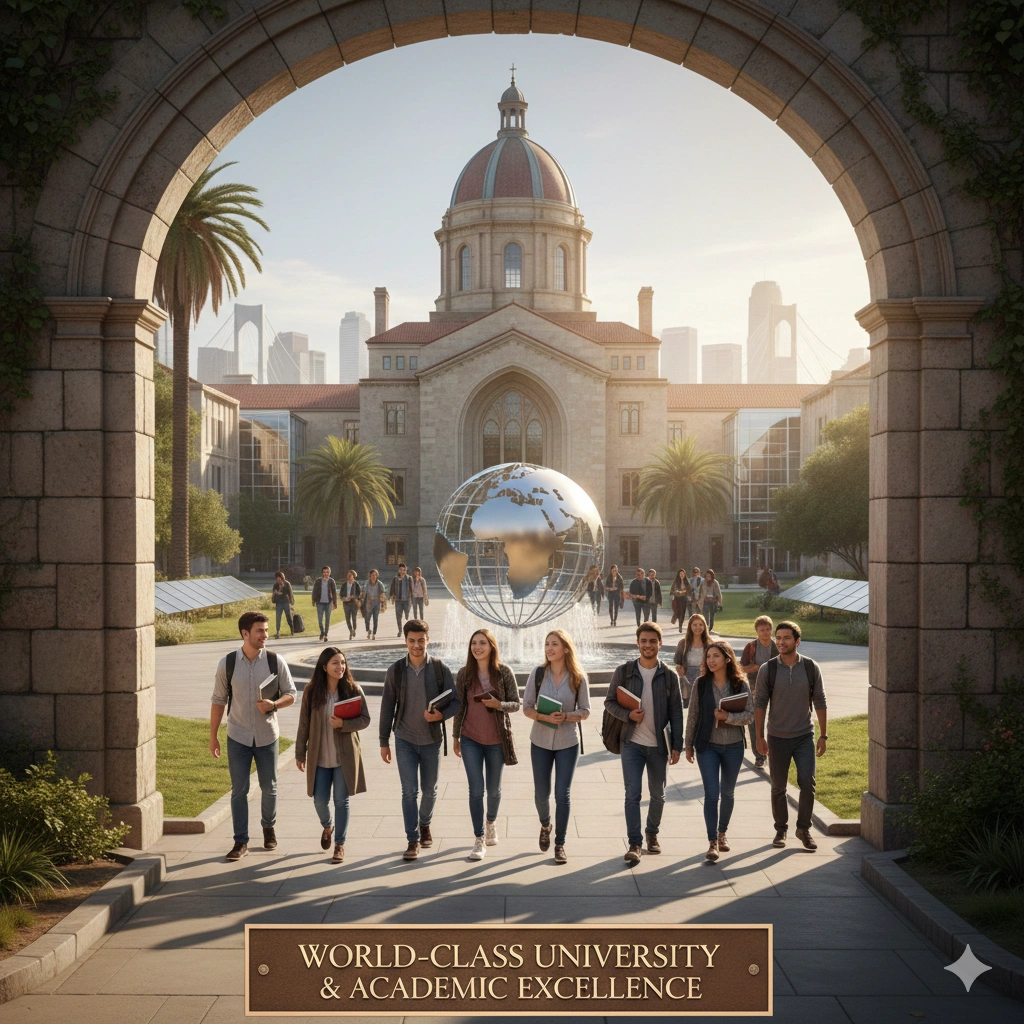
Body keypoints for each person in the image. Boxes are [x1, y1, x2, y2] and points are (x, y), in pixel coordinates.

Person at [210, 611, 297, 861]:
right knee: (239, 790)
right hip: (237, 736)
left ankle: (268, 828)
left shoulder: (274, 661)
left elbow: (292, 693)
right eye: (260, 631)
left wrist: (274, 704)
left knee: (269, 787)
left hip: (267, 736)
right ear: (245, 633)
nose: (265, 635)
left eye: (266, 630)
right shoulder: (227, 663)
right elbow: (218, 701)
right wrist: (213, 736)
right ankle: (240, 841)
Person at [379, 619, 459, 860]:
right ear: (405, 641)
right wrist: (384, 741)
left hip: (431, 740)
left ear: (428, 640)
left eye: (421, 641)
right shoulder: (395, 670)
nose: (417, 645)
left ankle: (425, 823)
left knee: (430, 790)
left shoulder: (438, 668)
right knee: (409, 791)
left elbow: (456, 701)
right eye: (412, 641)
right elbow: (387, 707)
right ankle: (412, 839)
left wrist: (440, 716)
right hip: (404, 739)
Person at [604, 621, 683, 864]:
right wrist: (627, 715)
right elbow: (609, 702)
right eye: (643, 641)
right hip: (632, 743)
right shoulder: (624, 671)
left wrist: (677, 745)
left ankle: (652, 834)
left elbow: (676, 712)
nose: (647, 645)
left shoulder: (669, 676)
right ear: (637, 643)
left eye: (652, 641)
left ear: (659, 643)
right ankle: (635, 843)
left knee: (658, 795)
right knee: (632, 794)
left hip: (659, 745)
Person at [754, 620, 828, 851]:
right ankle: (781, 830)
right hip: (777, 736)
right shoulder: (768, 669)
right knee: (778, 787)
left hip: (804, 735)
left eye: (786, 638)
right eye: (778, 638)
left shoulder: (810, 667)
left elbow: (820, 701)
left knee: (808, 783)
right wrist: (759, 737)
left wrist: (823, 735)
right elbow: (759, 704)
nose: (781, 642)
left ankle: (803, 828)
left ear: (797, 641)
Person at [294, 646, 370, 863]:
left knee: (341, 801)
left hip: (344, 756)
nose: (340, 667)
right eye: (335, 663)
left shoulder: (353, 690)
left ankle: (340, 844)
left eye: (343, 663)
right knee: (319, 801)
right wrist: (300, 752)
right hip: (320, 756)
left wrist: (344, 724)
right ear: (324, 666)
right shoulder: (311, 691)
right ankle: (328, 826)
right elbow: (303, 724)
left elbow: (365, 719)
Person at [523, 629, 591, 864]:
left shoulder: (578, 676)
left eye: (554, 644)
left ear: (565, 648)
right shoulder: (538, 673)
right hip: (540, 741)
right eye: (547, 644)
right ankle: (545, 824)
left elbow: (586, 710)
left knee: (563, 794)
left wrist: (568, 716)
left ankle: (560, 843)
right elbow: (527, 707)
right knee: (542, 794)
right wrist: (544, 718)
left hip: (567, 742)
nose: (549, 648)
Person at [452, 629, 520, 860]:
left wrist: (498, 704)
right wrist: (455, 736)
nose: (477, 647)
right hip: (470, 738)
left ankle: (491, 821)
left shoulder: (504, 672)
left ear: (491, 646)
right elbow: (460, 707)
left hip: (496, 740)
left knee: (493, 789)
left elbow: (516, 704)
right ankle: (479, 838)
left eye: (482, 643)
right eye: (473, 643)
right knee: (475, 789)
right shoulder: (464, 674)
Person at [685, 640, 754, 862]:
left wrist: (729, 718)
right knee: (711, 794)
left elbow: (750, 715)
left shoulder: (740, 684)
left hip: (733, 747)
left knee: (728, 793)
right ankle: (712, 841)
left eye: (715, 656)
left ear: (727, 658)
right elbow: (693, 715)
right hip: (708, 746)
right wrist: (688, 745)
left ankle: (723, 833)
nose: (711, 660)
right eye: (708, 657)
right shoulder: (701, 684)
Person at [739, 615, 778, 770]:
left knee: (775, 719)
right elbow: (741, 668)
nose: (766, 632)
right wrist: (753, 668)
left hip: (775, 686)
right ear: (757, 631)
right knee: (755, 720)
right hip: (755, 687)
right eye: (762, 630)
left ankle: (773, 752)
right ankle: (759, 755)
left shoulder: (776, 646)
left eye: (768, 629)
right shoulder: (751, 647)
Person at [673, 612, 709, 708]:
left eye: (701, 624)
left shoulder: (709, 644)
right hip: (686, 677)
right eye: (695, 625)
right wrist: (679, 669)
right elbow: (677, 661)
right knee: (687, 706)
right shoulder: (683, 643)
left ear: (704, 626)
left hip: (704, 677)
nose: (698, 627)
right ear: (690, 627)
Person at [311, 566, 338, 643]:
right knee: (320, 619)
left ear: (329, 573)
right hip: (320, 603)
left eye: (327, 572)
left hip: (328, 602)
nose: (326, 574)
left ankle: (326, 634)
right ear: (322, 573)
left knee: (327, 619)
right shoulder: (318, 581)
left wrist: (335, 603)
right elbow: (314, 591)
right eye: (324, 572)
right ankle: (322, 632)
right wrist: (313, 600)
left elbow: (334, 593)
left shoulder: (331, 581)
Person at [389, 562, 413, 637]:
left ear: (406, 570)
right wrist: (391, 596)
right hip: (398, 601)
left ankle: (407, 630)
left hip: (407, 601)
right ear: (398, 570)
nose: (402, 571)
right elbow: (392, 588)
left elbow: (412, 589)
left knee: (407, 616)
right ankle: (400, 630)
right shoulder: (395, 579)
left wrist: (412, 600)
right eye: (400, 570)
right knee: (398, 617)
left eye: (404, 570)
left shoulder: (409, 578)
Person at [361, 568, 385, 640]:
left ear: (377, 576)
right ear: (370, 576)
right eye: (372, 575)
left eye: (375, 575)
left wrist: (382, 600)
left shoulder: (379, 583)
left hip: (376, 602)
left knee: (375, 618)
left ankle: (374, 633)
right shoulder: (367, 583)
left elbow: (383, 592)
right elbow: (364, 589)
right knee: (367, 618)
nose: (374, 577)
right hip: (369, 602)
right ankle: (368, 631)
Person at [270, 571, 294, 639]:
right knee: (278, 618)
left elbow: (290, 594)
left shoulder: (287, 584)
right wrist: (275, 592)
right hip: (279, 603)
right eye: (277, 580)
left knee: (288, 617)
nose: (278, 581)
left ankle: (292, 628)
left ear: (282, 578)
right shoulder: (276, 585)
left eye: (280, 580)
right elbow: (273, 592)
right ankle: (277, 632)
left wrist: (291, 603)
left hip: (286, 602)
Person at [339, 570, 361, 641]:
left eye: (350, 576)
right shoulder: (344, 584)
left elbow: (359, 594)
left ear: (353, 576)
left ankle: (354, 629)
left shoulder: (356, 584)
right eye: (348, 575)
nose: (348, 577)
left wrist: (353, 597)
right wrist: (343, 598)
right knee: (347, 618)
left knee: (354, 618)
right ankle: (350, 630)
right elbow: (341, 593)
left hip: (353, 603)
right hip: (346, 603)